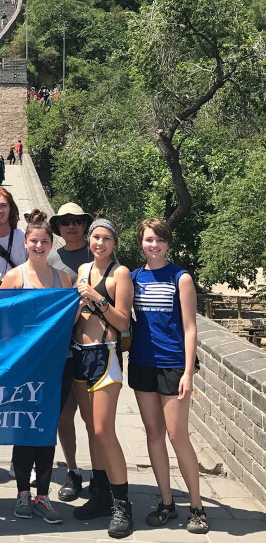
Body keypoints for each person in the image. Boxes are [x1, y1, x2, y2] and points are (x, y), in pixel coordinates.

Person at [129, 219, 209, 534]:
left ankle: (197, 506)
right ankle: (166, 502)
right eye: (149, 240)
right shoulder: (134, 277)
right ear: (141, 243)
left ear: (168, 244)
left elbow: (190, 328)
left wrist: (188, 372)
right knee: (153, 434)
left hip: (173, 364)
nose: (154, 245)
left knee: (177, 436)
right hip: (142, 363)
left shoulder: (181, 277)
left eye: (160, 240)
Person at [1, 210, 72, 524]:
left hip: (56, 365)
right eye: (34, 241)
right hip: (25, 366)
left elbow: (68, 322)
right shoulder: (15, 277)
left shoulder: (62, 279)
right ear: (25, 243)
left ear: (51, 243)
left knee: (45, 429)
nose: (39, 245)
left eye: (45, 241)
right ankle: (22, 493)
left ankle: (42, 495)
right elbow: (2, 324)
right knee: (23, 427)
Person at [72, 218, 134, 539]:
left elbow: (123, 321)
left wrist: (96, 299)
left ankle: (122, 503)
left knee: (103, 430)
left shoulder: (120, 274)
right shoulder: (83, 271)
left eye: (106, 238)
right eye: (95, 237)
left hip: (106, 355)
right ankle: (99, 493)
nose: (99, 243)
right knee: (90, 431)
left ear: (114, 243)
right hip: (80, 354)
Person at [47, 203, 95, 502]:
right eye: (65, 221)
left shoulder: (98, 253)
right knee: (65, 416)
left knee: (95, 420)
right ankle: (73, 471)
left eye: (77, 220)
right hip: (63, 349)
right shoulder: (52, 258)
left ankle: (102, 474)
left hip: (94, 347)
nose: (71, 225)